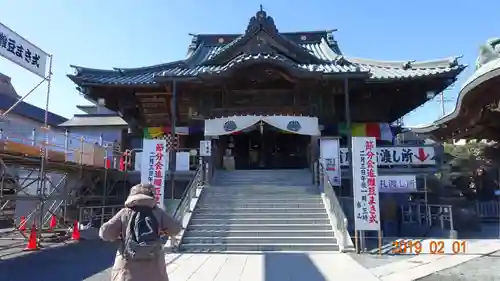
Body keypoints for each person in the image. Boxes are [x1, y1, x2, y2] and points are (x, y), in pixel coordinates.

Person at [99, 183, 182, 281]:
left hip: (127, 271)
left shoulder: (124, 212)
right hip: (155, 272)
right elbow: (176, 228)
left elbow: (105, 233)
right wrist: (164, 231)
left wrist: (119, 233)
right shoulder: (158, 213)